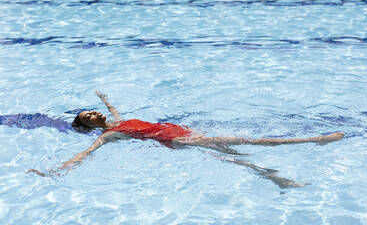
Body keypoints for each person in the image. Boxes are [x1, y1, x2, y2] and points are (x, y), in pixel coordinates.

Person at [27, 91, 344, 188]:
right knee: (250, 143)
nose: (93, 114)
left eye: (91, 111)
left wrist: (106, 99)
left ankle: (279, 181)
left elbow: (114, 111)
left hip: (179, 132)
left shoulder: (117, 120)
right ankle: (315, 140)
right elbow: (86, 154)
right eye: (87, 117)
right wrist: (57, 170)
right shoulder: (110, 134)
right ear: (89, 125)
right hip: (179, 140)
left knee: (234, 156)